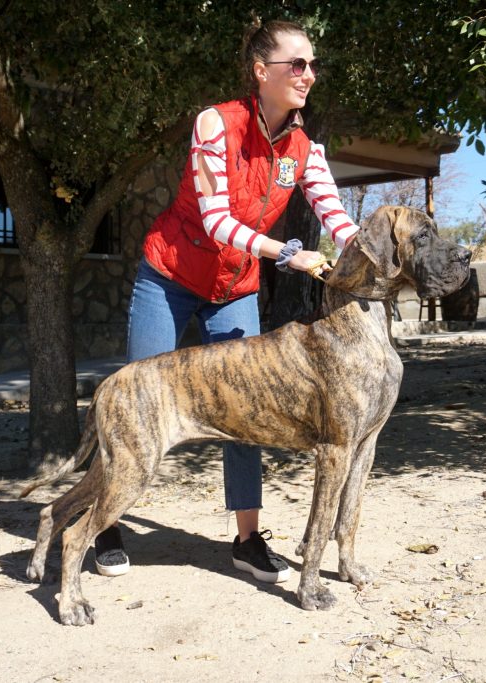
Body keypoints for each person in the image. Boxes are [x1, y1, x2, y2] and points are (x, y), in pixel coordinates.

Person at [93, 19, 360, 582]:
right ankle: (107, 524)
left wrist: (372, 252)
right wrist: (289, 254)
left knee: (248, 409)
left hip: (234, 286)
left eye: (313, 64)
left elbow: (335, 216)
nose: (309, 74)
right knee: (136, 401)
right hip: (170, 273)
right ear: (263, 71)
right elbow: (216, 221)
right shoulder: (215, 123)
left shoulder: (304, 148)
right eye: (297, 64)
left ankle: (246, 539)